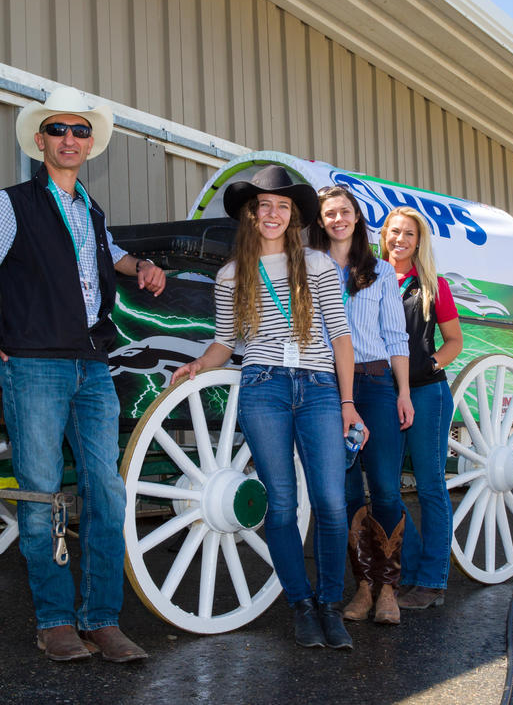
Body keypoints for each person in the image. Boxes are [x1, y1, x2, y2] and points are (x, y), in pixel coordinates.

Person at [0, 86, 165, 663]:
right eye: (59, 130)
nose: (70, 139)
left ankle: (101, 620)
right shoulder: (11, 204)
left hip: (92, 365)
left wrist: (140, 265)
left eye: (81, 131)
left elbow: (107, 251)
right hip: (36, 365)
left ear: (90, 145)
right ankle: (53, 621)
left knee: (107, 490)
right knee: (41, 495)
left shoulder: (90, 211)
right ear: (40, 140)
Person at [171, 165, 364, 650]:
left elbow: (341, 338)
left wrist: (348, 403)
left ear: (293, 216)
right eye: (264, 206)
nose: (273, 213)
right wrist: (197, 365)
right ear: (252, 217)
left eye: (282, 206)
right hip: (263, 386)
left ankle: (329, 604)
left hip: (320, 387)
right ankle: (300, 604)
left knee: (330, 501)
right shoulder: (231, 275)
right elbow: (227, 342)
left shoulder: (318, 265)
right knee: (280, 501)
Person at [306, 186, 413, 625]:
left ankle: (390, 588)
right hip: (325, 386)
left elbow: (396, 337)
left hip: (373, 381)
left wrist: (403, 391)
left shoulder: (381, 272)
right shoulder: (310, 267)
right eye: (329, 213)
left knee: (386, 487)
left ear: (356, 217)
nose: (337, 219)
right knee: (347, 491)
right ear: (320, 221)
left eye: (344, 211)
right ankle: (364, 587)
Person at [379, 206, 463, 609]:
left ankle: (432, 581)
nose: (400, 240)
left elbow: (454, 342)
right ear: (384, 236)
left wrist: (428, 365)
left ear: (418, 241)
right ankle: (408, 571)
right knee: (385, 488)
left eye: (409, 234)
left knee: (430, 485)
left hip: (427, 393)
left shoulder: (433, 285)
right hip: (382, 393)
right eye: (394, 232)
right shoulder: (369, 280)